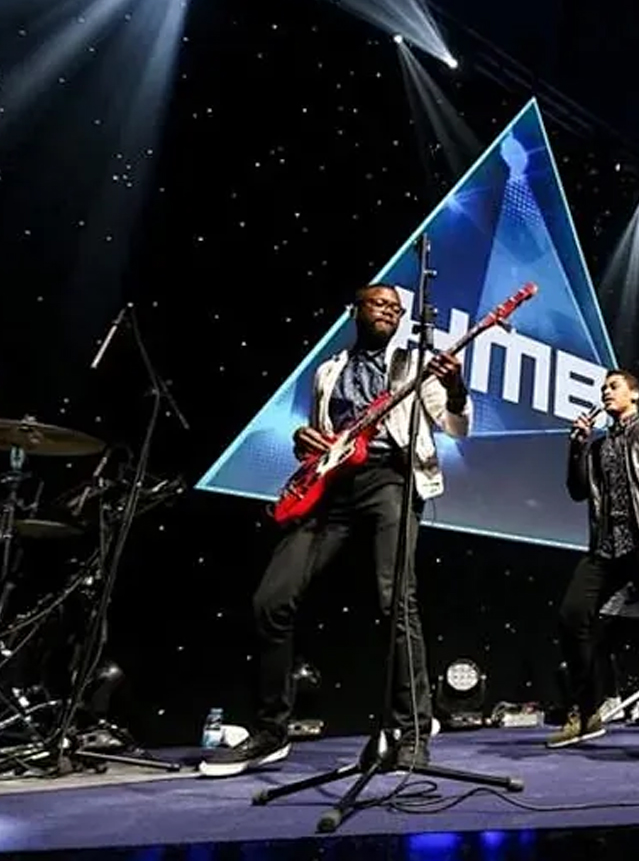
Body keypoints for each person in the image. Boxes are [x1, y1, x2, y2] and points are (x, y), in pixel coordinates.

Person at [199, 284, 468, 777]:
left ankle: (412, 730)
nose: (388, 311)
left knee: (396, 599)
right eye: (378, 303)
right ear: (355, 311)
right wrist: (304, 439)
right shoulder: (329, 370)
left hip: (391, 479)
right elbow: (323, 437)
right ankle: (271, 731)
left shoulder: (412, 365)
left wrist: (455, 387)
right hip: (332, 489)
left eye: (395, 308)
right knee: (271, 601)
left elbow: (455, 425)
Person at [549, 369, 639, 752]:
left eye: (613, 386)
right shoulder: (599, 446)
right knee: (572, 616)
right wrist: (577, 447)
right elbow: (577, 491)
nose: (605, 392)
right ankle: (587, 712)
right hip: (607, 545)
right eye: (603, 388)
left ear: (634, 393)